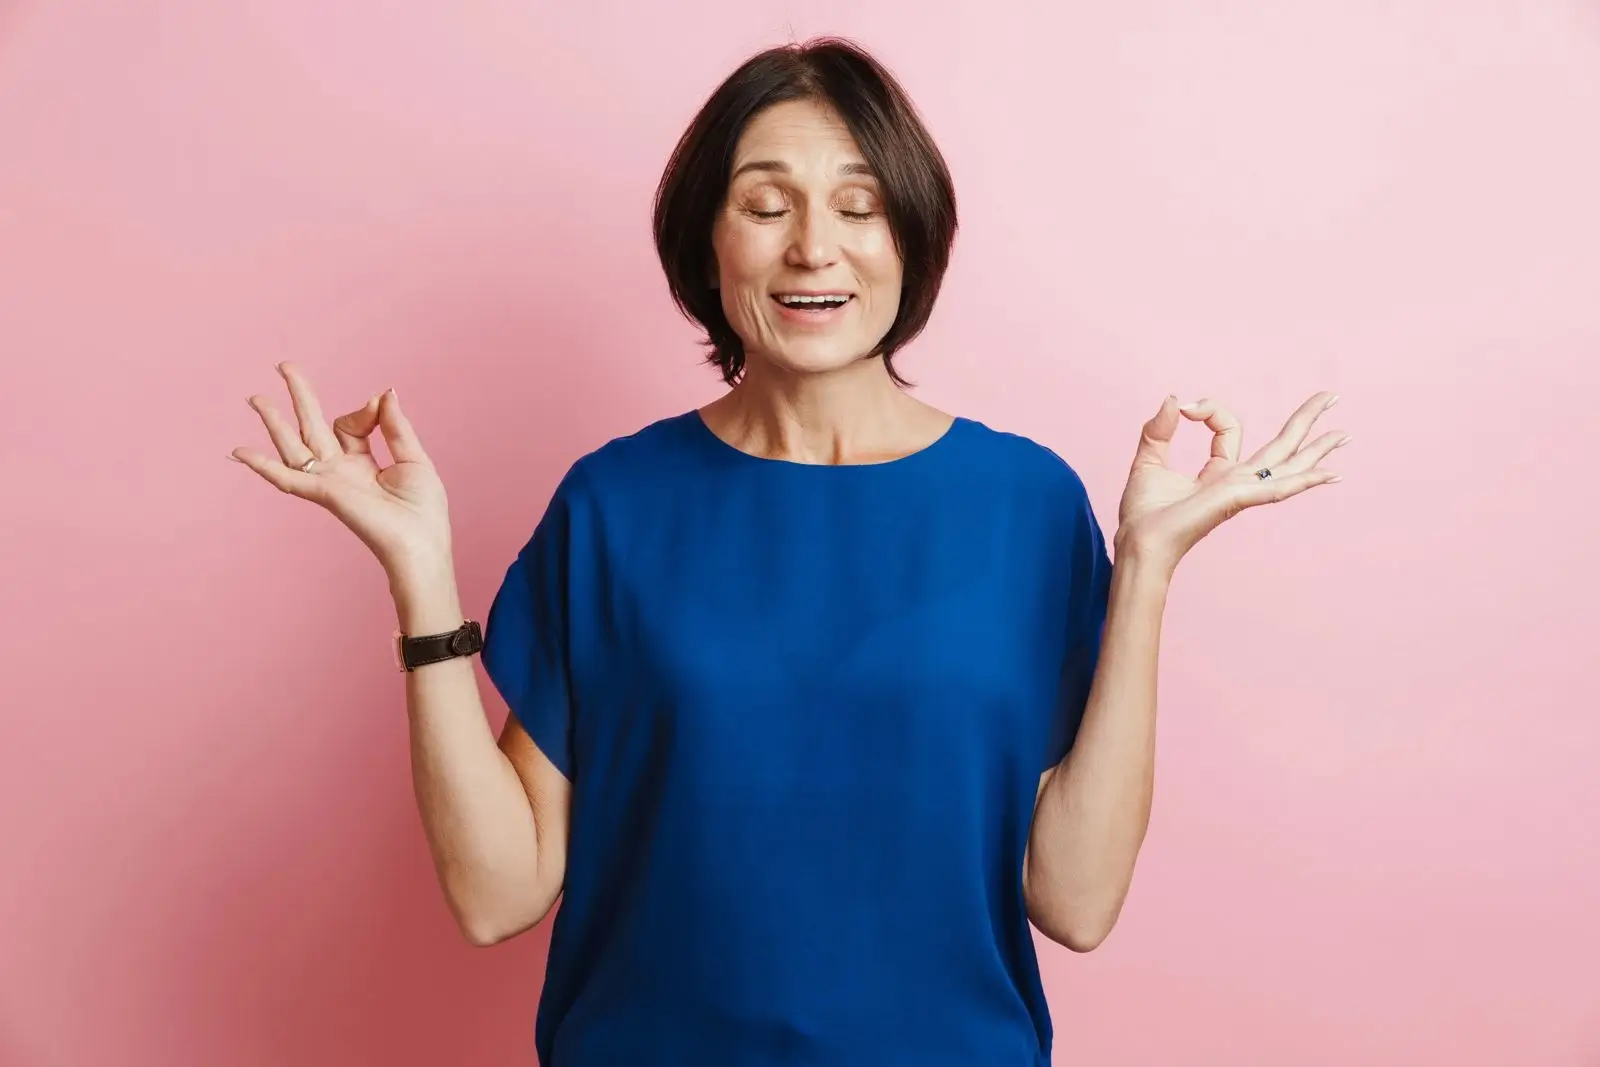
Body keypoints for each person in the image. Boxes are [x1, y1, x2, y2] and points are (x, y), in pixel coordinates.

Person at [230, 36, 1347, 1067]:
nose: (814, 246)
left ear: (910, 235)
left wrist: (1146, 567)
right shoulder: (616, 503)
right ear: (706, 241)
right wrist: (420, 572)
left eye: (858, 207)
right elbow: (496, 891)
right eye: (766, 205)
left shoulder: (1026, 504)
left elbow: (1077, 898)